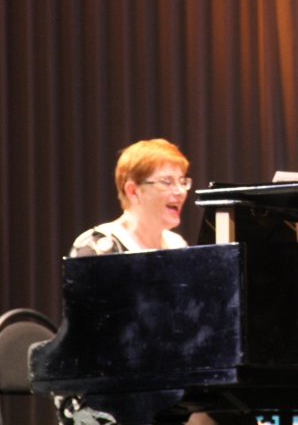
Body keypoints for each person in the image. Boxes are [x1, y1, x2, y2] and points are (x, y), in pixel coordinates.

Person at [69, 139, 256, 425]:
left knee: (231, 410)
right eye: (167, 182)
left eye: (182, 181)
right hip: (112, 388)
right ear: (133, 190)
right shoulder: (98, 247)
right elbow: (92, 342)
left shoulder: (176, 245)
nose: (180, 191)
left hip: (166, 378)